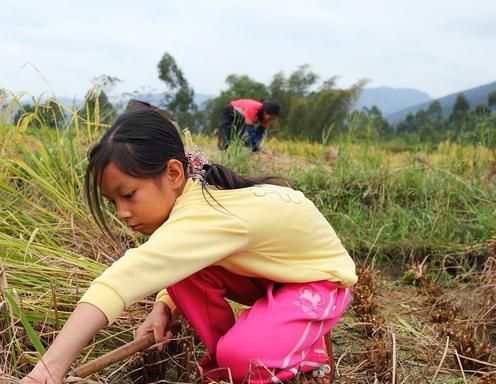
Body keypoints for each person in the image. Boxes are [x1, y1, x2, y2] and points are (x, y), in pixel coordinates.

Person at [22, 110, 357, 384]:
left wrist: (49, 369)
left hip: (316, 280)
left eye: (128, 195)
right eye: (113, 202)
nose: (122, 213)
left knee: (244, 359)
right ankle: (228, 366)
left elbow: (122, 279)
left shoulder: (205, 215)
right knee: (183, 279)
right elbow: (177, 263)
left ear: (173, 173)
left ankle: (301, 353)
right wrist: (165, 304)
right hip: (271, 273)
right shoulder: (192, 204)